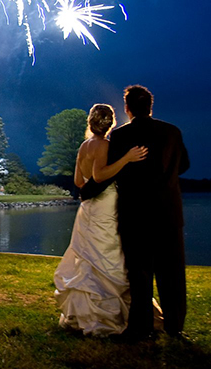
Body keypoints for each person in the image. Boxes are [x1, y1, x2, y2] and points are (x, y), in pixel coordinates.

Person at [54, 104, 148, 336]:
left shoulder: (84, 146)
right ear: (111, 123)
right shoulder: (105, 145)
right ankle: (106, 317)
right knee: (107, 254)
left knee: (88, 259)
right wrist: (126, 158)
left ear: (91, 122)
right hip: (105, 205)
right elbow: (99, 175)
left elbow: (79, 181)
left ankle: (84, 314)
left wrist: (90, 190)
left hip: (87, 209)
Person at [107, 85, 190, 340]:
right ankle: (174, 324)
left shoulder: (120, 136)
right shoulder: (172, 132)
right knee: (172, 271)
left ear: (127, 108)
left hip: (136, 213)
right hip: (168, 212)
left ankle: (141, 326)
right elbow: (184, 165)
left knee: (140, 272)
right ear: (150, 107)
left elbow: (114, 169)